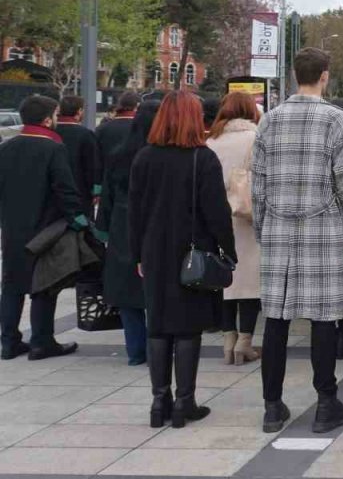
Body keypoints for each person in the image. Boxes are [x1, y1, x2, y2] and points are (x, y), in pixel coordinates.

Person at [253, 48, 343, 434]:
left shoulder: (270, 120)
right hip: (323, 226)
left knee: (276, 320)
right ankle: (326, 401)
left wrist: (261, 229)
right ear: (325, 76)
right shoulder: (337, 120)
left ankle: (272, 405)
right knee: (323, 318)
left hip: (279, 228)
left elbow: (258, 183)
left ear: (292, 75)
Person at [129, 91, 236, 428]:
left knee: (157, 324)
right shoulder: (202, 159)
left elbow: (134, 211)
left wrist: (137, 254)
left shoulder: (144, 157)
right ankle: (184, 402)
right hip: (192, 254)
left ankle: (158, 401)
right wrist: (228, 250)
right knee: (188, 327)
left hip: (153, 250)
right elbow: (217, 211)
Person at [0, 95, 86, 361]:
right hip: (46, 229)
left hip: (13, 228)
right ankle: (41, 342)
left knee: (12, 285)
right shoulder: (53, 149)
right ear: (47, 119)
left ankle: (9, 342)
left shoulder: (7, 147)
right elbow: (65, 189)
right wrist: (79, 219)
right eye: (56, 114)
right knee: (45, 285)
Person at [99, 99, 158, 366]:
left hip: (122, 225)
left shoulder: (119, 153)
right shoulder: (160, 154)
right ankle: (158, 347)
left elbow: (108, 197)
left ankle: (135, 351)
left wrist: (103, 230)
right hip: (154, 224)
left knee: (127, 294)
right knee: (156, 291)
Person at [206, 92, 263, 366]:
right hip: (247, 217)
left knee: (225, 279)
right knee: (250, 281)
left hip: (217, 216)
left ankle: (228, 339)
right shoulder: (256, 139)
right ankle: (245, 341)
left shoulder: (211, 140)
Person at [54, 96, 100, 215]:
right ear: (79, 111)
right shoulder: (85, 135)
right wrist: (95, 191)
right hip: (80, 192)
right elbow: (92, 167)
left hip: (53, 192)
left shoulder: (51, 132)